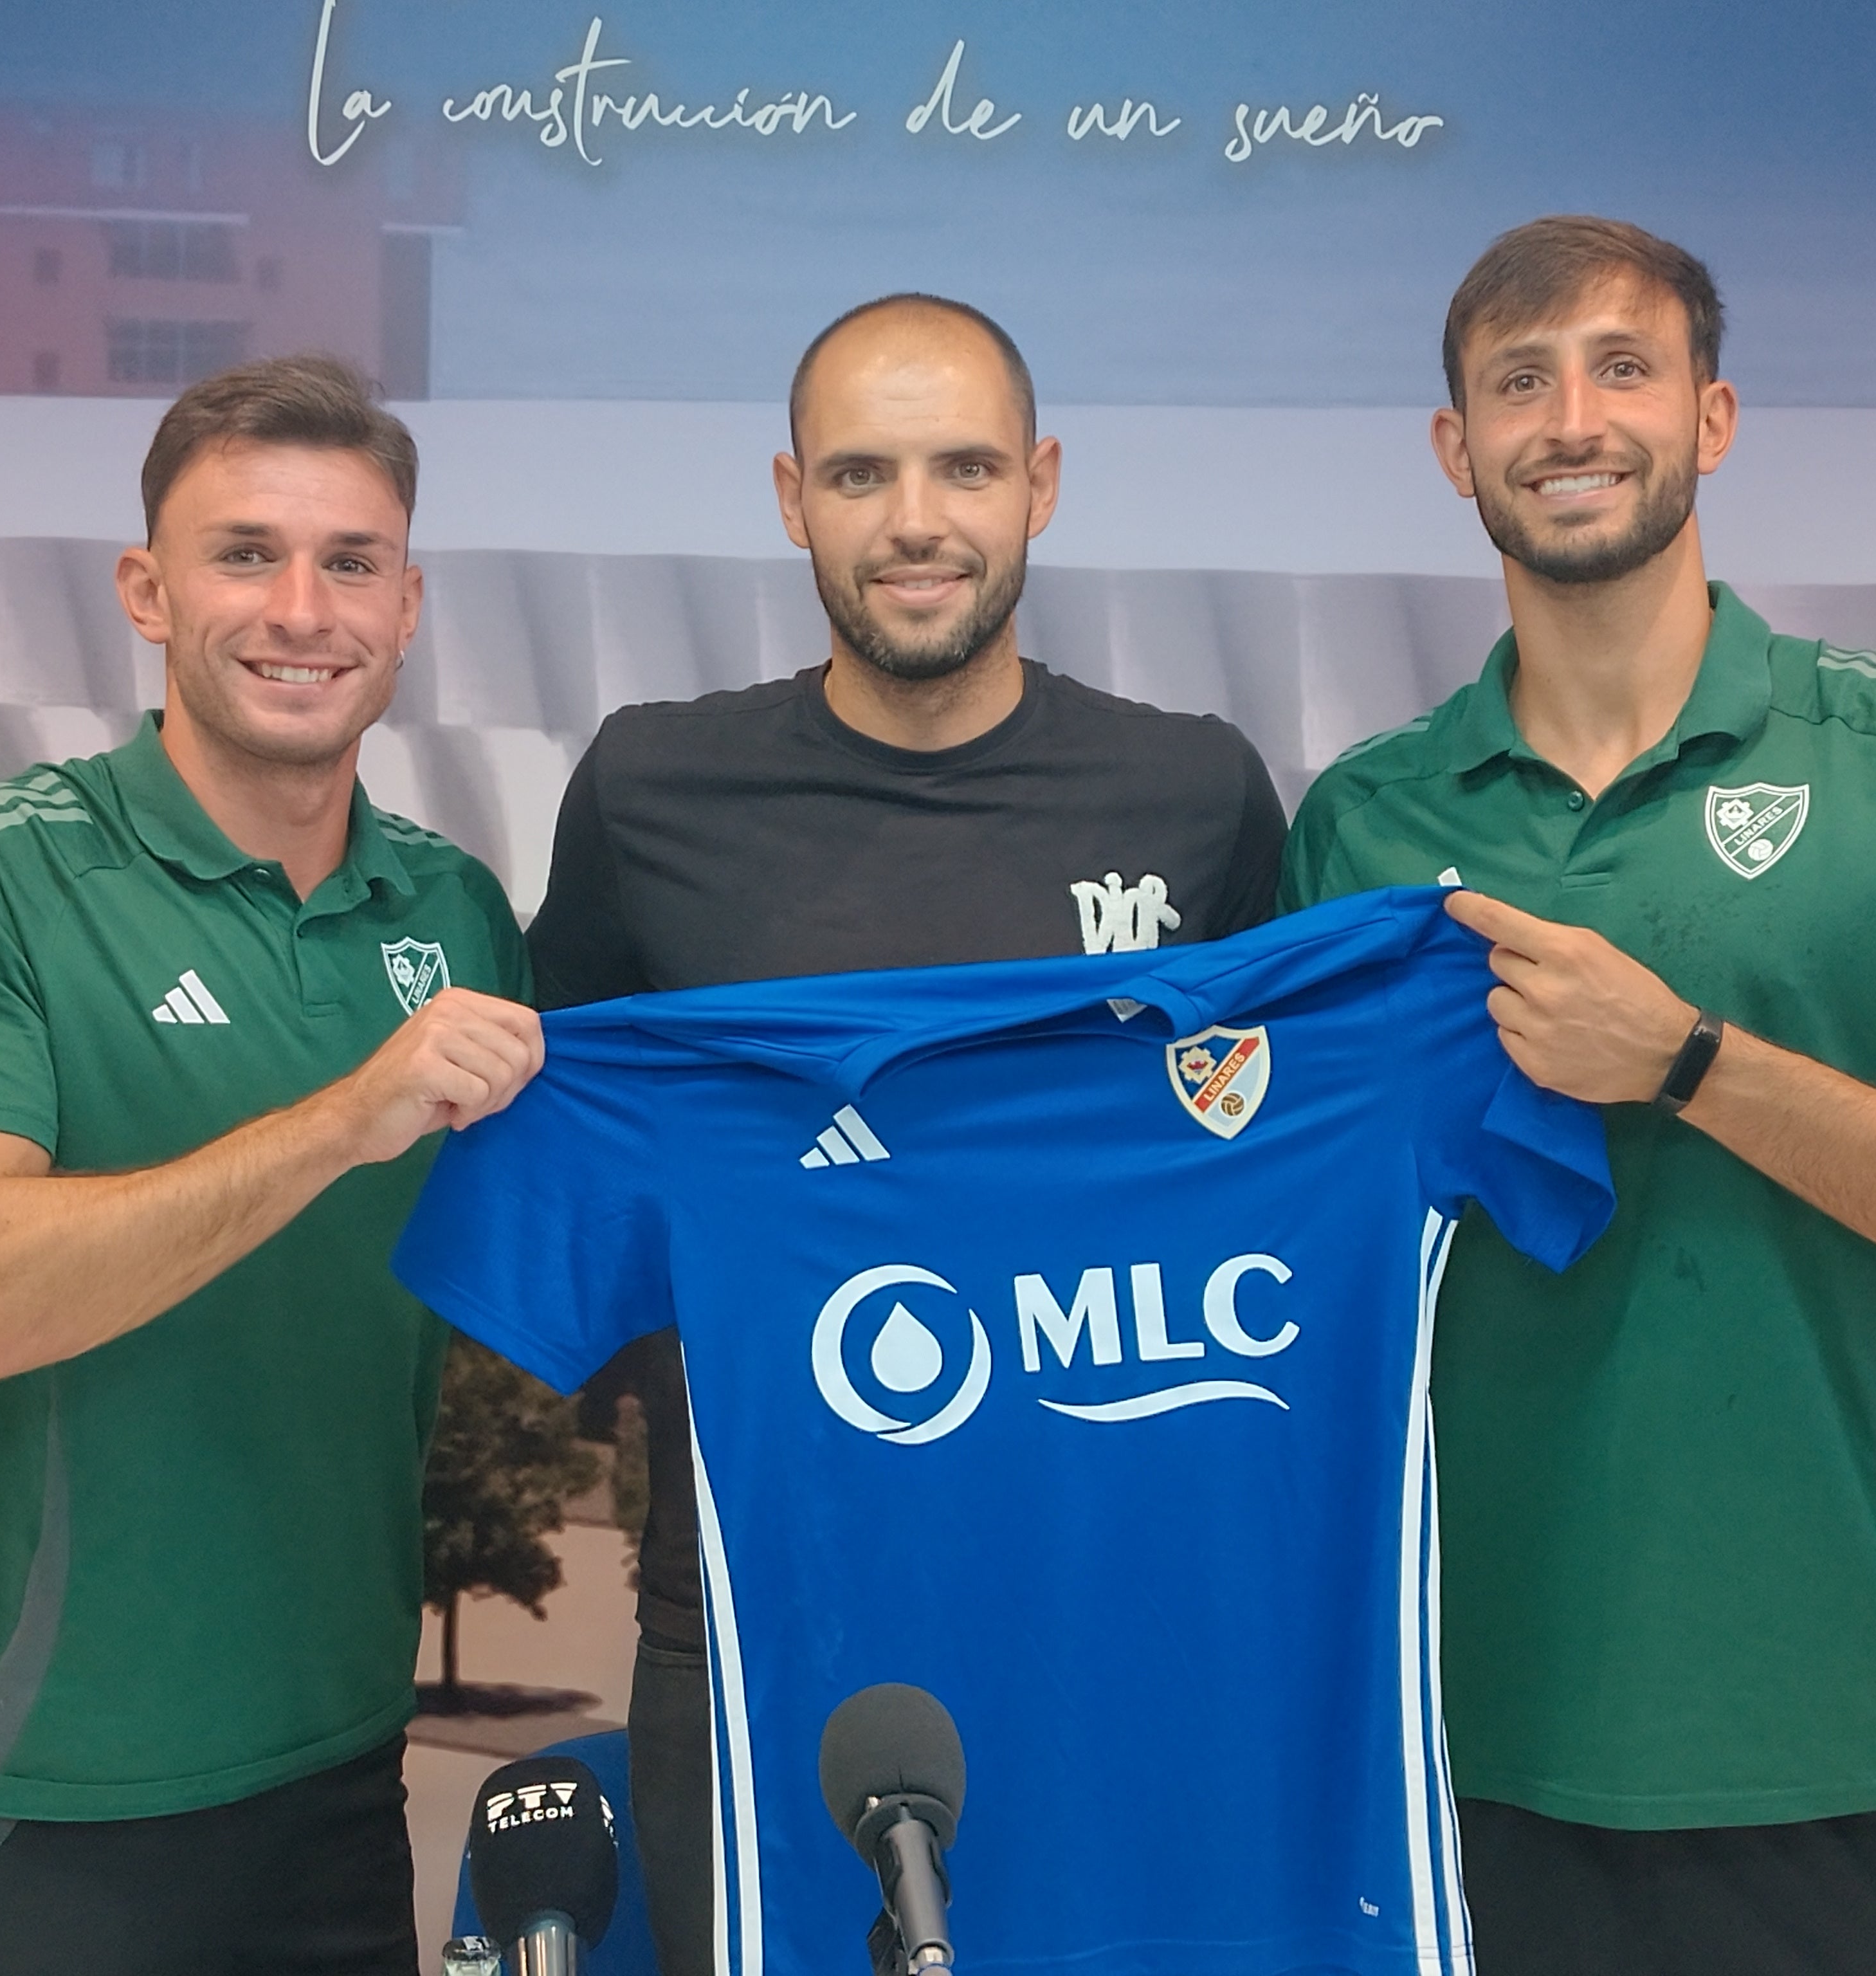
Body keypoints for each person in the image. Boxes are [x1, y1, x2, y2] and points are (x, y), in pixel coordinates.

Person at [1280, 216, 1876, 1976]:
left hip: (1874, 1741)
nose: (1572, 419)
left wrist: (1687, 1063)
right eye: (1517, 383)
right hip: (1488, 1757)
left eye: (1623, 367)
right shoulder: (1361, 827)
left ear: (1716, 414)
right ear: (1457, 451)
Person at [525, 292, 1287, 1976]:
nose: (917, 521)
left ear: (1043, 484)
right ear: (793, 498)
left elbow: (1267, 1165)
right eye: (863, 474)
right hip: (748, 1616)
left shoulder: (1198, 796)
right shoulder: (652, 795)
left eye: (964, 467)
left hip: (1118, 1607)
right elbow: (563, 1124)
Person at [0, 356, 544, 1973]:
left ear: (409, 602)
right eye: (245, 554)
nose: (302, 607)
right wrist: (333, 1121)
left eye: (349, 562)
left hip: (334, 1784)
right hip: (38, 1796)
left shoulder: (456, 911)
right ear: (147, 590)